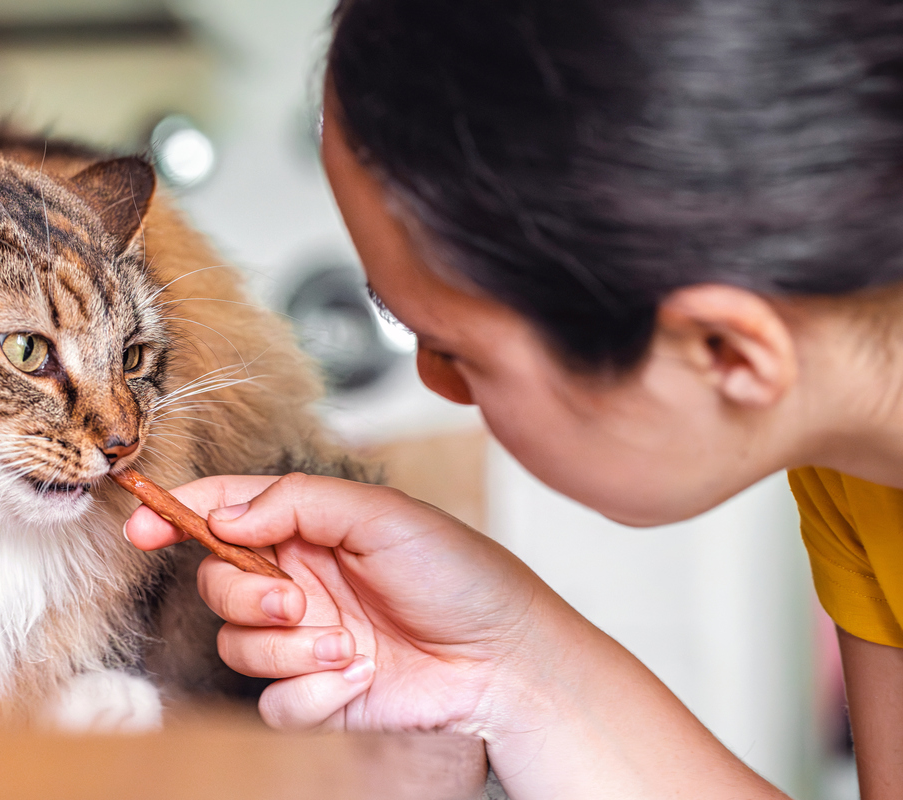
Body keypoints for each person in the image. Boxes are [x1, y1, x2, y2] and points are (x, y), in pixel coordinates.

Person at [126, 1, 903, 797]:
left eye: (454, 347)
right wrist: (511, 660)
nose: (436, 384)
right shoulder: (854, 472)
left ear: (723, 352)